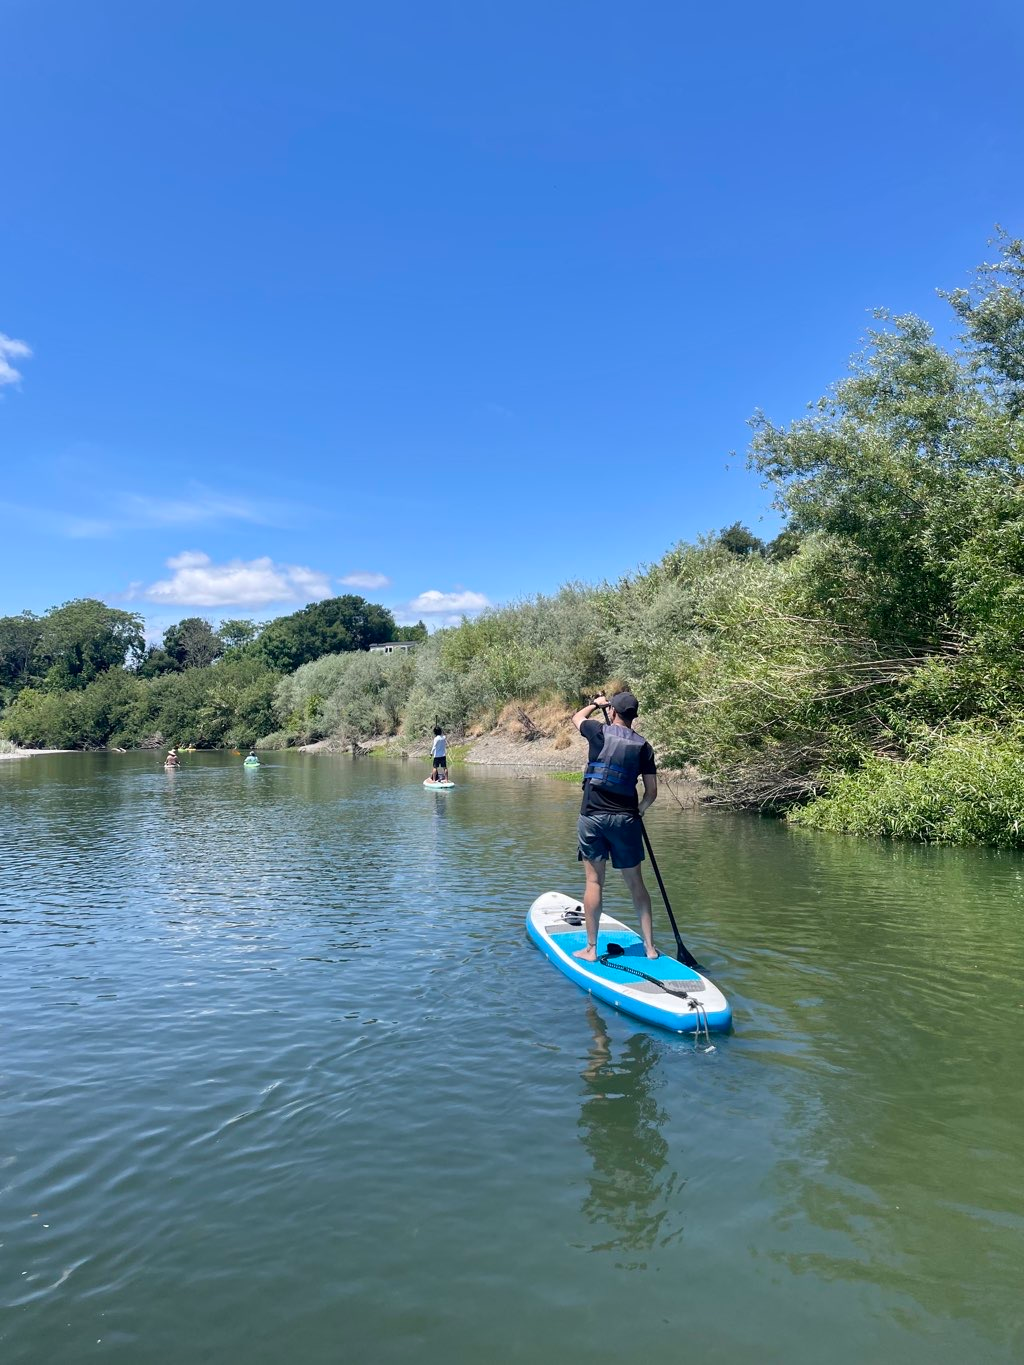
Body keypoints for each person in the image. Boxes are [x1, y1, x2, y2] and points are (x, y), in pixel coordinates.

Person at [571, 691, 658, 962]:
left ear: (613, 711)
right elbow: (651, 792)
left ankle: (590, 949)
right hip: (625, 820)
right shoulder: (644, 747)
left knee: (594, 881)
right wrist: (640, 809)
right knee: (636, 883)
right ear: (634, 716)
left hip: (593, 817)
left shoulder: (597, 731)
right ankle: (650, 948)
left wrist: (595, 705)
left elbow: (576, 718)